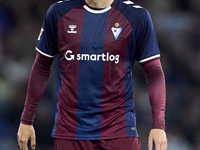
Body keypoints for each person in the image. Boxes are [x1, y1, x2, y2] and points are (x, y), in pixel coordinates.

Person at [17, 0, 167, 150]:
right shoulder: (59, 12)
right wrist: (26, 120)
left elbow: (154, 73)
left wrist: (158, 125)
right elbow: (41, 66)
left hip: (119, 130)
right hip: (71, 131)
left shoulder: (136, 15)